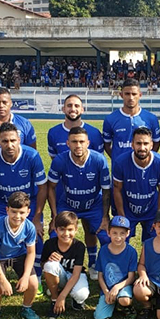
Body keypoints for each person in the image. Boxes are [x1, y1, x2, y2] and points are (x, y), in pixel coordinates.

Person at [47, 94, 105, 279]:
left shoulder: (96, 148)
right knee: (55, 236)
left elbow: (106, 186)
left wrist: (105, 215)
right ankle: (58, 269)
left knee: (102, 235)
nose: (78, 145)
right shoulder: (59, 154)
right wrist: (55, 214)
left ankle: (97, 264)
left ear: (88, 143)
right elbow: (51, 184)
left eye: (76, 105)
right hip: (68, 201)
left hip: (93, 203)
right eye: (69, 105)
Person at [0, 122, 47, 281]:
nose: (9, 145)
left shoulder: (31, 156)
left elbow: (42, 186)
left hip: (27, 203)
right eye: (5, 141)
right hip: (0, 202)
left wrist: (37, 217)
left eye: (13, 140)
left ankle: (36, 276)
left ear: (19, 140)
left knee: (37, 236)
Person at [0, 191, 40, 319]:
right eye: (13, 211)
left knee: (33, 283)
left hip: (19, 256)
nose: (17, 216)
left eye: (22, 212)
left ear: (28, 212)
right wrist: (3, 281)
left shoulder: (29, 227)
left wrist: (25, 277)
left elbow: (31, 253)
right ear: (7, 210)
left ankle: (27, 308)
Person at [112, 127, 160, 242]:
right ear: (132, 144)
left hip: (151, 209)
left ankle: (147, 260)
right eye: (138, 143)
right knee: (119, 240)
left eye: (146, 143)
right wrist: (122, 215)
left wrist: (158, 215)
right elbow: (117, 189)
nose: (142, 148)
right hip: (128, 208)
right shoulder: (120, 162)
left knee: (153, 242)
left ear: (151, 145)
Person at [41, 211, 90, 319]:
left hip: (74, 276)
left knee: (81, 295)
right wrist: (49, 259)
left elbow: (76, 274)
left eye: (70, 229)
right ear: (56, 229)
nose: (66, 233)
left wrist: (62, 297)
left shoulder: (79, 246)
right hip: (60, 275)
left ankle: (73, 298)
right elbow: (43, 265)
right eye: (62, 229)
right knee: (50, 265)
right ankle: (54, 300)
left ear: (76, 229)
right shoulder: (50, 244)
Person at [103, 78, 160, 166]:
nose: (131, 97)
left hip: (143, 168)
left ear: (140, 95)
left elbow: (156, 142)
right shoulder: (110, 119)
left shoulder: (151, 118)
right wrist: (117, 159)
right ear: (121, 95)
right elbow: (107, 145)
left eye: (134, 94)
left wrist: (144, 158)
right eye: (127, 94)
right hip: (120, 170)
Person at [93, 216, 138, 319]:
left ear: (128, 234)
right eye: (114, 233)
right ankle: (112, 301)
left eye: (122, 233)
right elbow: (100, 275)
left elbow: (131, 277)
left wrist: (117, 288)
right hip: (107, 288)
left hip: (123, 286)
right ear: (108, 233)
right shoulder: (103, 250)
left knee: (124, 300)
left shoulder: (131, 252)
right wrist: (106, 291)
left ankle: (126, 306)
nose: (118, 237)